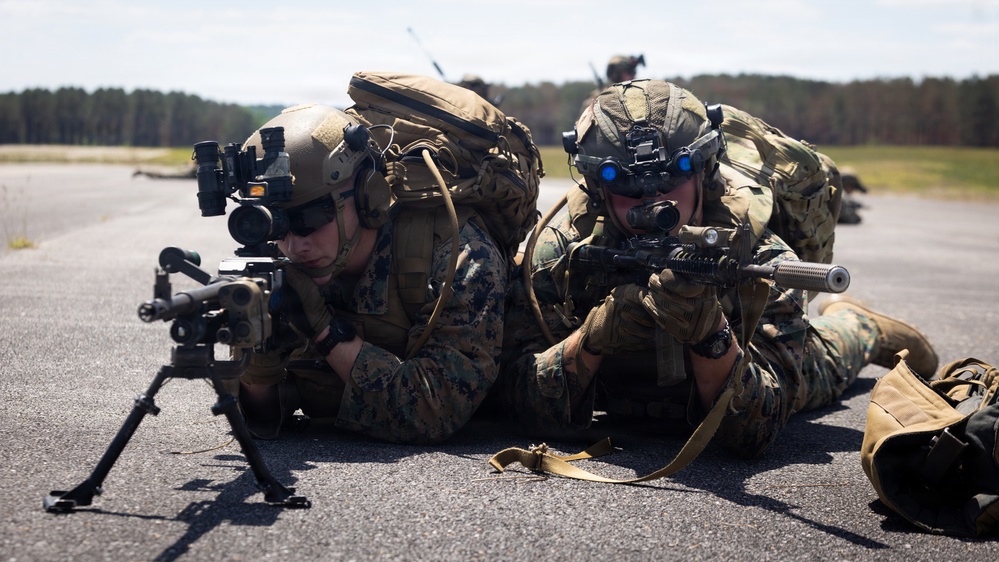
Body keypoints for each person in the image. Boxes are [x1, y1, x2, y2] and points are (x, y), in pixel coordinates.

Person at [496, 80, 939, 458]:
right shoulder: (563, 252)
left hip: (749, 359)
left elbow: (756, 430)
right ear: (597, 189)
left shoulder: (757, 257)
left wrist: (711, 337)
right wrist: (593, 338)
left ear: (703, 172)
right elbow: (519, 402)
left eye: (671, 181)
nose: (653, 203)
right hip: (617, 392)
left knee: (824, 365)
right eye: (628, 188)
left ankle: (859, 324)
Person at [234, 103, 508, 444]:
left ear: (368, 195)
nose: (294, 245)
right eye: (278, 225)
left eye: (310, 218)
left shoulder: (456, 254)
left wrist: (324, 332)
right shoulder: (280, 265)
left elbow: (436, 408)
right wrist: (256, 348)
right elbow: (264, 413)